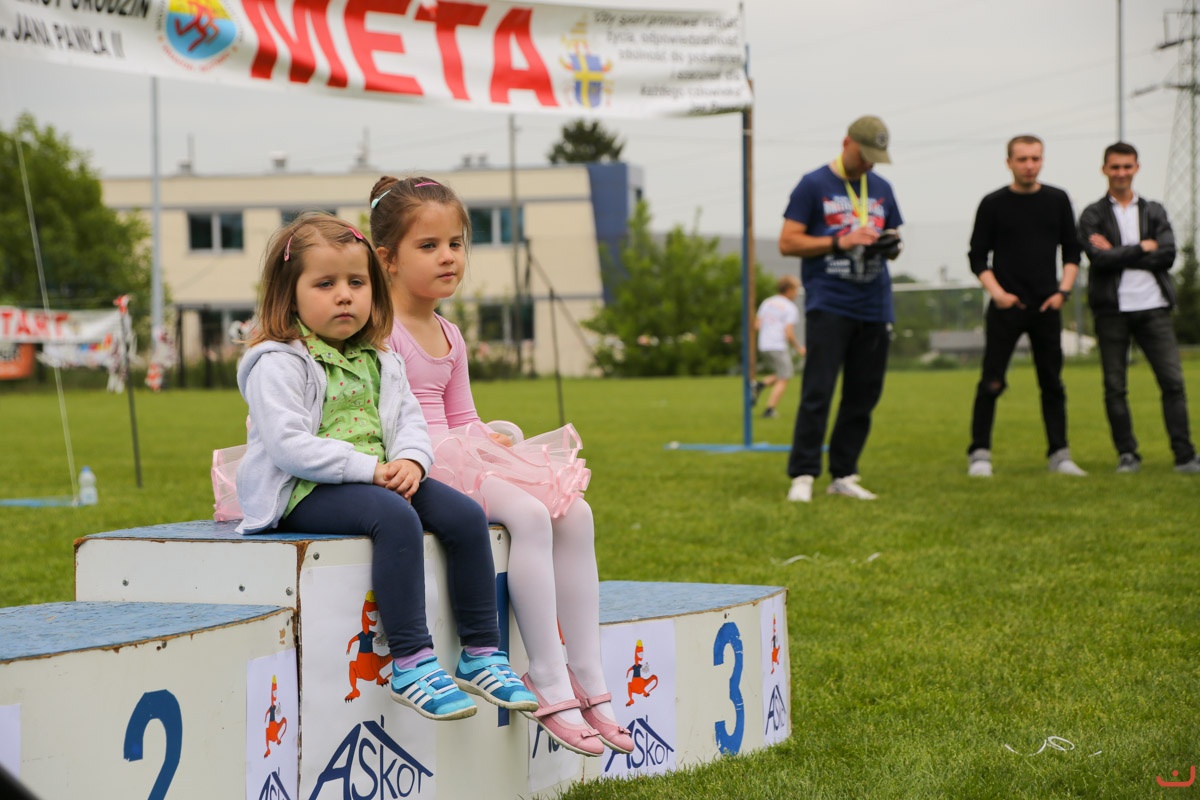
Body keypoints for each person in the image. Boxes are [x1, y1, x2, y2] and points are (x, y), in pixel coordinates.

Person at [235, 212, 537, 722]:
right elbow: (288, 446)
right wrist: (370, 469)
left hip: (377, 476)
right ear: (289, 295)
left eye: (356, 283)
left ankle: (482, 653)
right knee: (395, 517)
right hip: (302, 490)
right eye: (325, 284)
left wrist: (412, 461)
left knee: (466, 515)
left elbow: (409, 422)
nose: (344, 296)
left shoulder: (378, 357)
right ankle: (411, 662)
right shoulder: (279, 361)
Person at [370, 176, 634, 757]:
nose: (448, 257)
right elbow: (388, 416)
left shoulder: (448, 333)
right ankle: (547, 677)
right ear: (387, 259)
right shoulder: (380, 331)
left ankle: (588, 674)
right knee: (530, 514)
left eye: (456, 244)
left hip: (459, 451)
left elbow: (461, 413)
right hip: (420, 460)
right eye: (428, 246)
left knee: (576, 512)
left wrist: (487, 436)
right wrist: (458, 447)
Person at [778, 115, 904, 503]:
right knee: (818, 391)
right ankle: (803, 474)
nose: (868, 165)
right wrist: (840, 242)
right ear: (847, 143)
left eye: (874, 159)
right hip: (830, 303)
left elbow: (894, 234)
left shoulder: (881, 188)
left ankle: (844, 473)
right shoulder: (813, 184)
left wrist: (890, 245)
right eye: (864, 156)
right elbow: (788, 242)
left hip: (875, 304)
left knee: (863, 396)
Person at [966, 135, 1085, 478]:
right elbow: (977, 257)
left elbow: (1072, 251)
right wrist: (998, 294)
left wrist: (1062, 292)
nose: (1029, 165)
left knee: (1052, 382)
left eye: (1035, 158)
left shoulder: (1058, 199)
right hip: (1006, 307)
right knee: (991, 381)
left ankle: (1060, 455)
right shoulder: (993, 204)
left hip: (1047, 306)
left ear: (1042, 160)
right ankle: (979, 455)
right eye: (1022, 159)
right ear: (1009, 163)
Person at [1078, 142, 1200, 474]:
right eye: (1115, 167)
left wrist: (1118, 251)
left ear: (1136, 168)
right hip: (1111, 311)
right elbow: (1098, 259)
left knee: (1173, 382)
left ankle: (1185, 456)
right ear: (1104, 169)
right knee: (1115, 387)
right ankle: (1128, 455)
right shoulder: (1092, 214)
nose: (1121, 173)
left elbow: (1168, 254)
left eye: (1127, 166)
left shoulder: (1154, 210)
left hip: (1154, 308)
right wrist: (1142, 247)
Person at [754, 274, 805, 419]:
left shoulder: (767, 302)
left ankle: (759, 385)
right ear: (788, 290)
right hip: (778, 345)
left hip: (763, 345)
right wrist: (799, 348)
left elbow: (757, 325)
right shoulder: (790, 307)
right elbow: (788, 333)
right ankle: (769, 410)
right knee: (785, 377)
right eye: (795, 290)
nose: (796, 294)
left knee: (783, 373)